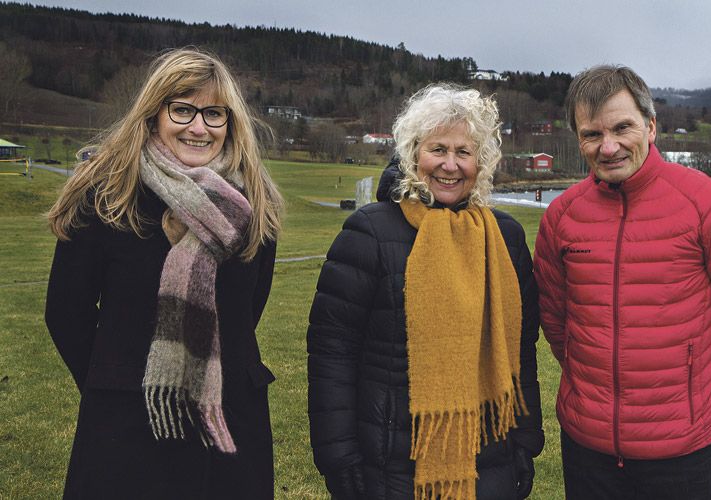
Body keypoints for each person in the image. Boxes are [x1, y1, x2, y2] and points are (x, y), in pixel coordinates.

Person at [45, 47, 284, 499]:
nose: (199, 127)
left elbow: (247, 311)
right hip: (126, 428)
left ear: (230, 123)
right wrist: (116, 381)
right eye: (183, 110)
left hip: (229, 426)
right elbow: (65, 312)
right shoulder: (105, 196)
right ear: (154, 113)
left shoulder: (252, 205)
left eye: (214, 114)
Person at [533, 65, 711, 499]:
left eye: (621, 128)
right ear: (578, 139)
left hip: (681, 456)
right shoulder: (562, 217)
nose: (608, 147)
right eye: (592, 134)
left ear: (650, 126)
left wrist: (702, 409)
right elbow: (555, 321)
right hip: (587, 451)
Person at [307, 84, 544, 499]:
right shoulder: (369, 232)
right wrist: (338, 454)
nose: (450, 165)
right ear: (413, 154)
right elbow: (333, 352)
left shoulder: (505, 238)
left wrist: (525, 439)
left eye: (464, 152)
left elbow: (520, 349)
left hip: (490, 456)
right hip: (392, 466)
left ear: (481, 161)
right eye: (438, 149)